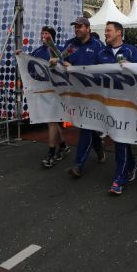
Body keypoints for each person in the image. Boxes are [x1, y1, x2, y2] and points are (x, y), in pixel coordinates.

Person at [53, 17, 106, 178]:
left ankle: (79, 164)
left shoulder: (98, 46)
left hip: (94, 93)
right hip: (75, 92)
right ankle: (99, 148)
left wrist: (75, 68)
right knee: (88, 126)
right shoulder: (70, 45)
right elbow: (61, 60)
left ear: (88, 28)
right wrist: (57, 61)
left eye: (80, 26)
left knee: (85, 127)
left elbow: (103, 68)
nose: (77, 29)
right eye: (75, 26)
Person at [96, 21, 137, 195]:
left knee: (121, 138)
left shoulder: (132, 51)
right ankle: (132, 164)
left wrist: (132, 67)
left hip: (127, 103)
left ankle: (119, 179)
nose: (105, 33)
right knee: (119, 137)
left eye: (108, 30)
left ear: (119, 32)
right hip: (108, 102)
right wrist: (67, 66)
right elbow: (89, 72)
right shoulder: (101, 53)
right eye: (105, 30)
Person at [28, 26, 71, 168]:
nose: (43, 36)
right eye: (42, 33)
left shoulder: (60, 50)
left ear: (52, 36)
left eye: (46, 33)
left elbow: (67, 64)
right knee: (51, 121)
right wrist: (20, 55)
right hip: (44, 91)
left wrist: (58, 61)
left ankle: (51, 154)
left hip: (58, 91)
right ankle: (63, 146)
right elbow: (29, 64)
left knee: (52, 120)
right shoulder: (37, 51)